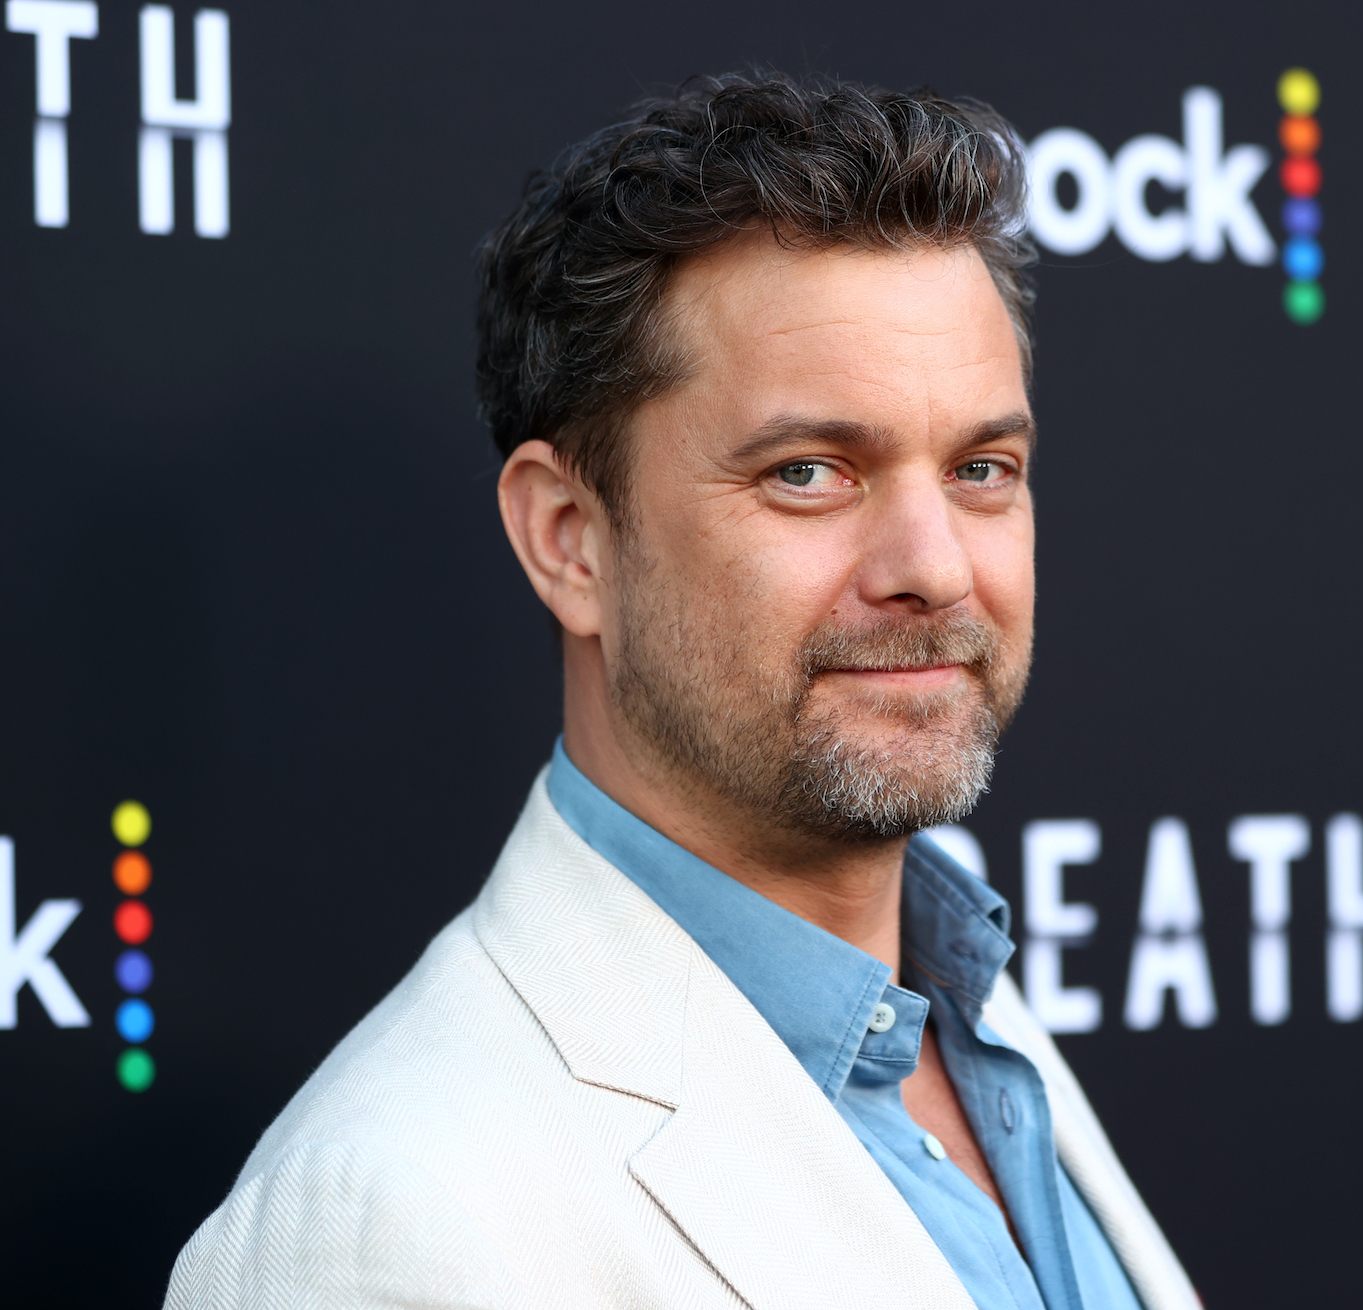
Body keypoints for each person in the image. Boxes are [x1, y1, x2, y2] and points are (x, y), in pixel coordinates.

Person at [166, 74, 1199, 1310]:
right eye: (808, 472)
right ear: (568, 538)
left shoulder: (974, 1019)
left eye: (981, 466)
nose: (932, 566)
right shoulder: (395, 1220)